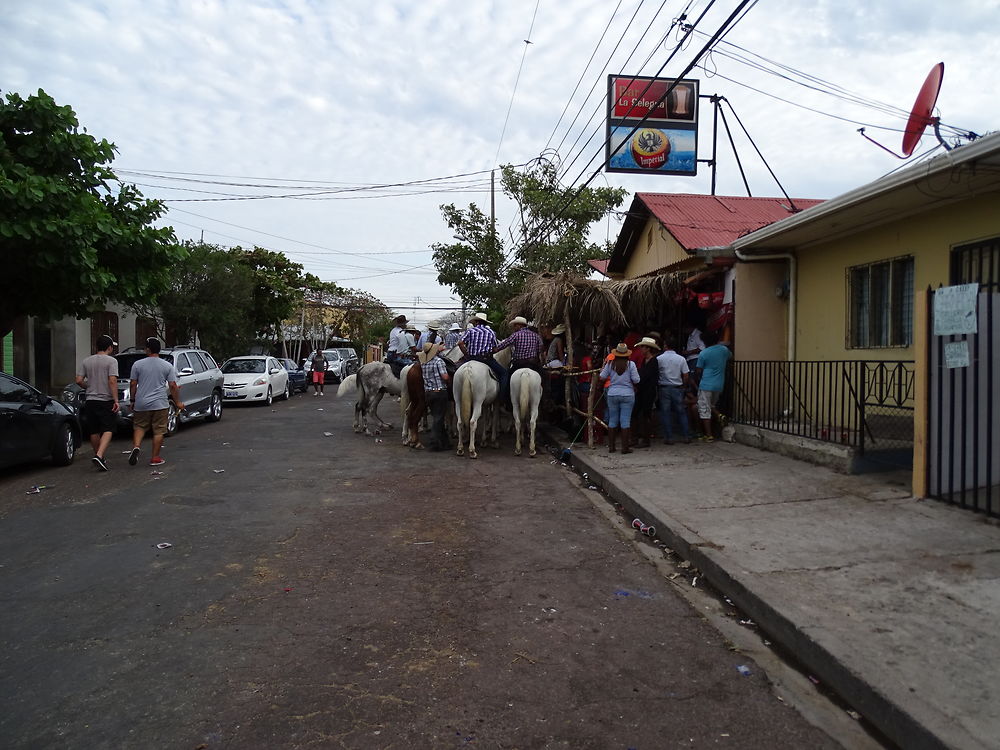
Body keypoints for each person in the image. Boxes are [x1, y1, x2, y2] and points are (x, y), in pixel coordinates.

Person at [128, 337, 183, 467]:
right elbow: (173, 386)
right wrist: (178, 402)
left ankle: (136, 446)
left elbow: (133, 384)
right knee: (159, 431)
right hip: (160, 403)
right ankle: (155, 457)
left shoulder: (137, 364)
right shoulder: (167, 365)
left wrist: (132, 400)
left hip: (141, 402)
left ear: (148, 349)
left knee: (139, 426)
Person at [75, 334, 120, 471]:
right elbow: (112, 380)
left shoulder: (87, 361)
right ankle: (99, 456)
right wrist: (116, 400)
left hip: (90, 400)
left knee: (94, 430)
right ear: (109, 347)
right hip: (105, 399)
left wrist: (87, 386)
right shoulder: (111, 361)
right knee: (108, 428)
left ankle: (98, 456)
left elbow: (78, 380)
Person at [458, 312, 509, 403]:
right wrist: (489, 350)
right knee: (504, 374)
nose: (473, 324)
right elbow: (495, 348)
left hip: (472, 358)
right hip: (486, 359)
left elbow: (460, 343)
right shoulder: (491, 332)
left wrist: (466, 354)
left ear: (477, 322)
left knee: (455, 370)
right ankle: (501, 399)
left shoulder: (470, 331)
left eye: (474, 322)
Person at [599, 343, 640, 454]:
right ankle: (625, 448)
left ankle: (611, 447)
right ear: (627, 354)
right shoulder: (631, 365)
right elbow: (636, 380)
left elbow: (602, 377)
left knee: (613, 420)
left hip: (612, 393)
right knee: (625, 421)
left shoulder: (610, 364)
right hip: (627, 394)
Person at [695, 330, 733, 442]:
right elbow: (731, 357)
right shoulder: (724, 350)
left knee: (704, 409)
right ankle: (719, 415)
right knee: (711, 405)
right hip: (719, 383)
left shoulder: (704, 353)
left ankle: (709, 435)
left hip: (706, 383)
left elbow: (698, 370)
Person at [656, 338, 692, 445]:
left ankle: (669, 437)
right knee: (681, 412)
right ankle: (686, 436)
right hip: (677, 387)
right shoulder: (681, 359)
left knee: (665, 413)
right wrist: (684, 386)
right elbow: (686, 375)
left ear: (665, 345)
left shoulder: (659, 359)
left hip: (664, 387)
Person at [418, 342, 451, 452]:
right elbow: (445, 376)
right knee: (438, 418)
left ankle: (445, 442)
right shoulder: (438, 361)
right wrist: (449, 382)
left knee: (437, 416)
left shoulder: (424, 363)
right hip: (439, 392)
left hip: (428, 393)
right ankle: (434, 442)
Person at [632, 336, 660, 449]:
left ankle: (645, 439)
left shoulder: (653, 361)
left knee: (645, 414)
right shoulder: (645, 361)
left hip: (648, 391)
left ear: (648, 348)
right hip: (642, 390)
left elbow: (646, 377)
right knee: (636, 413)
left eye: (643, 347)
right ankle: (636, 438)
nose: (641, 349)